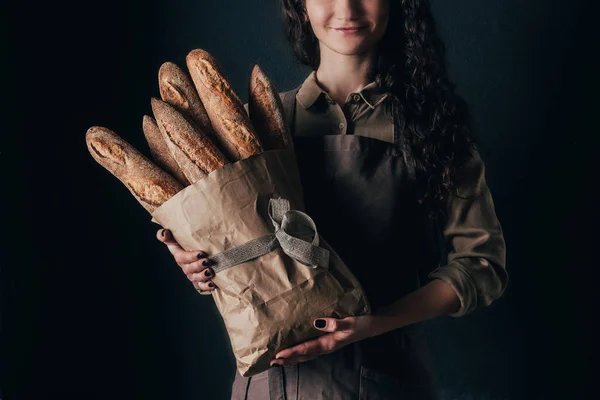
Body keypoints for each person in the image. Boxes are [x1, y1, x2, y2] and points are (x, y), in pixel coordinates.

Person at [156, 0, 508, 398]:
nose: (347, 7)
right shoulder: (252, 124)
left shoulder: (435, 128)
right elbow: (239, 254)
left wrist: (374, 322)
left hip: (384, 379)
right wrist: (202, 265)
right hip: (266, 386)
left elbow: (482, 266)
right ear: (300, 7)